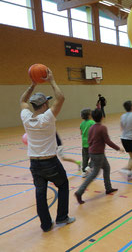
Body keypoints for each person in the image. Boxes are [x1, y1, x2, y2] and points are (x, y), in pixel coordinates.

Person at [20, 69, 75, 232]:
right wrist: (51, 80)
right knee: (63, 185)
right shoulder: (48, 117)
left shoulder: (26, 116)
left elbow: (22, 100)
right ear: (44, 105)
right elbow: (61, 98)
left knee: (40, 192)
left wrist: (32, 85)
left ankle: (45, 225)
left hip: (34, 163)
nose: (50, 104)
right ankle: (62, 218)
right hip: (50, 162)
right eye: (47, 102)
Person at [75, 109, 123, 204]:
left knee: (107, 168)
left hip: (94, 152)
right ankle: (79, 192)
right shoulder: (102, 128)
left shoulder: (92, 127)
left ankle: (108, 188)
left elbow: (89, 140)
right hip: (98, 154)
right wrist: (118, 148)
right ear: (102, 117)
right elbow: (108, 141)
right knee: (94, 173)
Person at [80, 109, 95, 178]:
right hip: (91, 143)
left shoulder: (82, 123)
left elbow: (81, 133)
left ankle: (84, 172)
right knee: (94, 157)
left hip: (84, 143)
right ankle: (89, 167)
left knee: (85, 158)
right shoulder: (92, 122)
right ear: (89, 115)